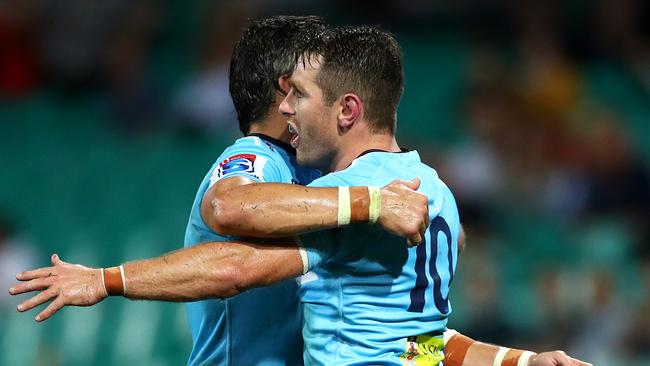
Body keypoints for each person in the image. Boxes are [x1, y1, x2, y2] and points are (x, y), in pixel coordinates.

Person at [10, 24, 591, 366]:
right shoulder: (427, 190)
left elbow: (412, 341)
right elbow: (228, 208)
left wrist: (519, 360)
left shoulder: (357, 189)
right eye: (290, 92)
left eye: (305, 94)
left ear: (345, 108)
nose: (293, 107)